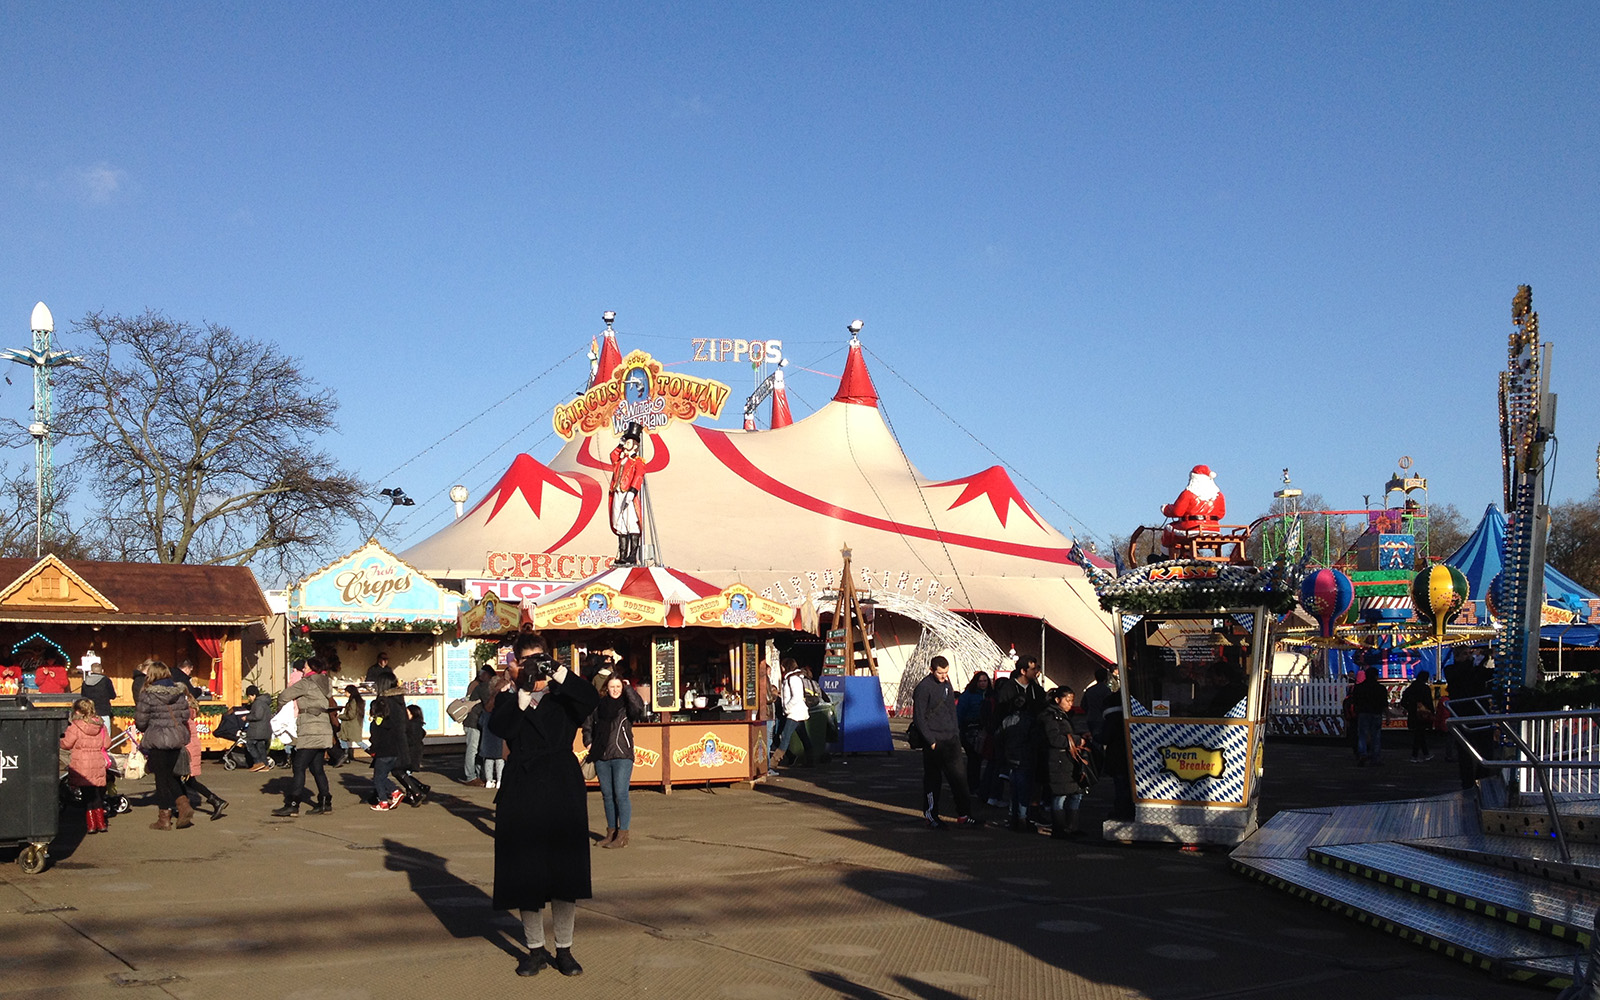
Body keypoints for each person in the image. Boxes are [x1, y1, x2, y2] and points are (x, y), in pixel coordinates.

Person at [490, 633, 600, 978]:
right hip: (522, 788)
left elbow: (590, 700)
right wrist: (521, 690)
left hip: (560, 787)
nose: (534, 666)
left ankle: (564, 950)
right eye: (527, 661)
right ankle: (535, 949)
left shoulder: (563, 695)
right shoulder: (511, 698)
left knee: (564, 871)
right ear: (516, 664)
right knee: (527, 872)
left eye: (539, 658)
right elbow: (500, 727)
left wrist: (557, 671)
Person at [912, 656, 982, 829]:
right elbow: (919, 717)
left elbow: (952, 710)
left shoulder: (946, 685)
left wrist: (955, 733)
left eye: (946, 673)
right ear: (931, 670)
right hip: (934, 741)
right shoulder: (924, 688)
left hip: (951, 739)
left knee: (959, 779)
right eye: (940, 673)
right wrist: (930, 740)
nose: (944, 676)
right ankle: (931, 815)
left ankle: (964, 814)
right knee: (933, 780)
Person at [584, 674, 647, 848]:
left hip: (621, 755)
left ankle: (623, 835)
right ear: (606, 688)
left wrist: (628, 689)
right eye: (612, 687)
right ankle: (611, 832)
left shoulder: (627, 706)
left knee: (621, 794)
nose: (615, 690)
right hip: (601, 755)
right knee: (608, 796)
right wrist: (588, 742)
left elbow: (639, 708)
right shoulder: (598, 705)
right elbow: (587, 725)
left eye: (618, 687)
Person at [133, 661, 195, 830]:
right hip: (176, 738)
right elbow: (184, 716)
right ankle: (183, 805)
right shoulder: (179, 693)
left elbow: (141, 721)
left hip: (158, 739)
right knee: (171, 776)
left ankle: (164, 818)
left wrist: (148, 726)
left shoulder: (147, 695)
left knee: (161, 779)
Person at [272, 658, 336, 816]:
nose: (304, 669)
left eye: (306, 667)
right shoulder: (325, 683)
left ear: (312, 668)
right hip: (323, 728)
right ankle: (325, 801)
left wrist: (283, 710)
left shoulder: (306, 683)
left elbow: (283, 696)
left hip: (310, 729)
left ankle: (293, 804)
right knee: (317, 768)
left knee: (299, 766)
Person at [993, 655, 1047, 831]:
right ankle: (1017, 816)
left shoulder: (1036, 690)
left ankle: (1031, 811)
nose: (1036, 672)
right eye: (1033, 669)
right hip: (1014, 746)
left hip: (1034, 743)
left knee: (1034, 780)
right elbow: (999, 716)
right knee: (1016, 782)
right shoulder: (1008, 689)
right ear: (1023, 671)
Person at [1041, 686, 1090, 838]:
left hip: (1069, 761)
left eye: (1072, 701)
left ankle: (1072, 827)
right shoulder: (1050, 716)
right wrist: (1076, 740)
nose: (1070, 704)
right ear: (1057, 700)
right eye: (1067, 700)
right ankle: (1060, 828)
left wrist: (1080, 737)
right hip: (1059, 761)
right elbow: (1054, 738)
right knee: (1060, 795)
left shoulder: (1063, 715)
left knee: (1076, 793)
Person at [61, 699, 110, 834]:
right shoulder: (100, 725)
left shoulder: (75, 727)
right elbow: (106, 744)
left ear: (77, 711)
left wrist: (58, 741)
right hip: (97, 762)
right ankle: (102, 824)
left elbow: (67, 743)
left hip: (81, 764)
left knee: (87, 797)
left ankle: (91, 825)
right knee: (98, 795)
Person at [180, 691, 227, 821]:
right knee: (187, 780)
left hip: (188, 747)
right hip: (192, 746)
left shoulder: (185, 712)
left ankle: (214, 800)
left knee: (185, 779)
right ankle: (213, 801)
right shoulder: (191, 711)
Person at [1160, 464, 1225, 555]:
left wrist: (1165, 508)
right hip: (1214, 530)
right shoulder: (1218, 495)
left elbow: (1177, 511)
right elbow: (1221, 514)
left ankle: (1166, 556)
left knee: (1168, 529)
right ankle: (1190, 553)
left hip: (1191, 528)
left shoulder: (1188, 493)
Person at [609, 423, 646, 565]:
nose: (626, 444)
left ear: (635, 445)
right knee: (620, 522)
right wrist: (619, 445)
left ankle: (632, 554)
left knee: (631, 521)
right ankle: (622, 554)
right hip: (618, 492)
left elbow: (639, 476)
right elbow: (612, 456)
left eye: (629, 442)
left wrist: (633, 491)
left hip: (628, 493)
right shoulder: (620, 461)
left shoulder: (637, 461)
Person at [774, 659, 819, 768]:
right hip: (798, 711)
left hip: (794, 712)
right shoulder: (793, 678)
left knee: (785, 735)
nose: (781, 669)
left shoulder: (793, 679)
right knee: (803, 737)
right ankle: (811, 760)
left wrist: (787, 708)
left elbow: (796, 697)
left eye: (782, 667)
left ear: (786, 666)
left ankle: (774, 761)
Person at [955, 670, 992, 793]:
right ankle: (972, 785)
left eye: (985, 681)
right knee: (973, 759)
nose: (982, 683)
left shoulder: (991, 695)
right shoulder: (968, 695)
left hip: (985, 730)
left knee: (981, 759)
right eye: (980, 681)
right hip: (969, 730)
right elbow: (960, 713)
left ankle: (978, 785)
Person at [368, 690, 406, 811]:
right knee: (382, 776)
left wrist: (372, 750)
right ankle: (393, 793)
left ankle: (386, 799)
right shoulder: (391, 721)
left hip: (382, 754)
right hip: (393, 753)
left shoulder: (375, 723)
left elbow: (375, 739)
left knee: (378, 778)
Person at [462, 665, 494, 785]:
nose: (481, 675)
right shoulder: (483, 687)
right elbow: (488, 704)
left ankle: (476, 774)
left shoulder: (476, 685)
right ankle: (471, 776)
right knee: (473, 749)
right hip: (473, 722)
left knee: (475, 749)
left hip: (475, 722)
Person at [1351, 668, 1388, 767]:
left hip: (1363, 713)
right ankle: (1375, 757)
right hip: (1376, 713)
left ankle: (1362, 754)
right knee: (1376, 736)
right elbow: (1384, 704)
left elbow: (1355, 701)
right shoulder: (1381, 688)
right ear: (1376, 676)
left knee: (1362, 735)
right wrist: (1387, 716)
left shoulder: (1359, 687)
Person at [478, 678, 507, 790]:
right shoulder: (503, 705)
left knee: (488, 760)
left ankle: (489, 781)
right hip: (499, 735)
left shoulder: (488, 704)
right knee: (499, 760)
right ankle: (499, 780)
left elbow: (481, 722)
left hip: (487, 736)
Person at [1401, 670, 1436, 762]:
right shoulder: (1425, 688)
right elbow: (1429, 702)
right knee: (1420, 735)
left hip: (1413, 714)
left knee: (1419, 734)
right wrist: (1432, 712)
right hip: (1423, 714)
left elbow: (1403, 701)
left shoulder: (1411, 688)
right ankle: (1416, 755)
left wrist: (1410, 708)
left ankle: (1423, 754)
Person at [78, 657, 115, 734]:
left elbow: (83, 696)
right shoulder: (106, 680)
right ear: (102, 671)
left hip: (89, 712)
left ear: (91, 671)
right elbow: (112, 695)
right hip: (103, 712)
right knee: (105, 734)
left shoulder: (85, 682)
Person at [244, 685, 273, 771]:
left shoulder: (257, 703)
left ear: (253, 695)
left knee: (249, 744)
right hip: (265, 729)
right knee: (261, 747)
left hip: (257, 729)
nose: (249, 698)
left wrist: (247, 717)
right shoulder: (264, 702)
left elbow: (257, 716)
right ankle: (265, 765)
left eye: (249, 696)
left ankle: (258, 762)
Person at [337, 685, 366, 764]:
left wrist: (340, 716)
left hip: (350, 726)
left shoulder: (353, 702)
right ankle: (346, 755)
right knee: (344, 739)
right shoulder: (359, 701)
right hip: (354, 725)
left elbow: (350, 715)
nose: (345, 694)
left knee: (357, 742)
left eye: (346, 692)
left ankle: (345, 755)